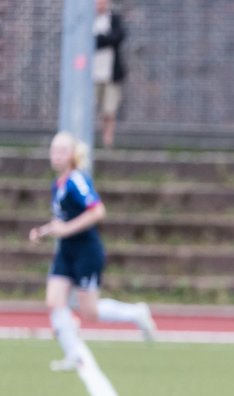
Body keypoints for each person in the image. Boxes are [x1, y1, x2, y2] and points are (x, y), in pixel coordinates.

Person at [29, 132, 155, 371]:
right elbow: (62, 221)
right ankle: (73, 355)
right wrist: (43, 232)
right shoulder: (57, 185)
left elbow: (97, 212)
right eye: (53, 150)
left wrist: (65, 230)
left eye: (62, 151)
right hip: (66, 252)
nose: (56, 155)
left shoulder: (78, 180)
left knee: (90, 312)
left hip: (87, 252)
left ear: (72, 155)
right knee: (54, 301)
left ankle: (136, 313)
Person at [92, 0, 127, 149]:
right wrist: (104, 39)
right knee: (91, 109)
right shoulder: (87, 19)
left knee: (109, 110)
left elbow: (118, 37)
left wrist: (101, 39)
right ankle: (89, 139)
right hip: (91, 75)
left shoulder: (114, 19)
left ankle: (107, 141)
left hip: (111, 74)